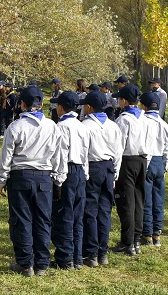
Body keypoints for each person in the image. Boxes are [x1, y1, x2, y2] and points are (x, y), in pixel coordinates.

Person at [0, 85, 63, 276]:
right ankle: (42, 262)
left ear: (22, 105)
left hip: (21, 177)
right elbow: (58, 154)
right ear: (41, 104)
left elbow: (6, 156)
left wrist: (2, 179)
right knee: (43, 220)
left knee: (21, 220)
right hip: (44, 177)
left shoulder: (16, 126)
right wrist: (58, 178)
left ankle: (26, 263)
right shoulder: (52, 126)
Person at [81, 89, 123, 267]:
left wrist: (84, 174)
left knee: (90, 211)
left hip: (92, 167)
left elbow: (82, 153)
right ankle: (102, 251)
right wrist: (115, 174)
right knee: (104, 210)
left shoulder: (85, 126)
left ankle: (92, 253)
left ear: (89, 107)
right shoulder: (113, 125)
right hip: (108, 168)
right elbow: (119, 152)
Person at [50, 90, 89, 270]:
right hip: (80, 170)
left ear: (60, 107)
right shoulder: (82, 125)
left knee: (64, 214)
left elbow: (60, 154)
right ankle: (77, 257)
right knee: (77, 216)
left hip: (67, 170)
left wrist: (58, 180)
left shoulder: (62, 127)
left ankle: (65, 258)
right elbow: (85, 153)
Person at [111, 85, 150, 257]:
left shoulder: (123, 120)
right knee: (139, 200)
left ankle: (127, 242)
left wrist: (115, 170)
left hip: (127, 161)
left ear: (124, 101)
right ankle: (136, 239)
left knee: (126, 202)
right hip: (142, 160)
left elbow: (119, 147)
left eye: (119, 98)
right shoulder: (145, 117)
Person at [140, 90, 168, 248]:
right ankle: (157, 232)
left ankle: (146, 233)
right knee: (158, 199)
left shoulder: (142, 122)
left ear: (143, 106)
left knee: (146, 200)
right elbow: (167, 148)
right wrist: (165, 167)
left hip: (147, 161)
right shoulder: (164, 124)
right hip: (160, 162)